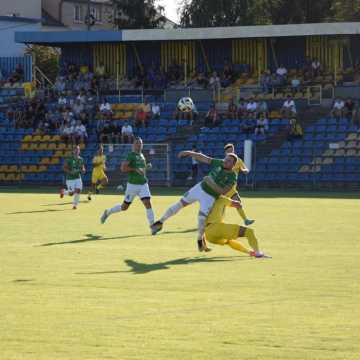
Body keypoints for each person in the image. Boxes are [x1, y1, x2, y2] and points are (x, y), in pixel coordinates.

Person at [151, 151, 238, 251]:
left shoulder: (232, 176)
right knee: (180, 204)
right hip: (199, 189)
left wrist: (210, 182)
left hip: (210, 197)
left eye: (229, 161)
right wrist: (188, 152)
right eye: (225, 159)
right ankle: (159, 222)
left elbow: (223, 192)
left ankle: (200, 241)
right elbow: (204, 157)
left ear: (233, 164)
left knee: (201, 219)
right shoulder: (219, 163)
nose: (225, 161)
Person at [100, 137, 155, 232]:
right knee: (124, 207)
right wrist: (135, 169)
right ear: (133, 145)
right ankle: (108, 212)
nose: (139, 145)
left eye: (141, 143)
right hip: (132, 185)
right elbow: (123, 168)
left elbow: (141, 171)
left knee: (148, 203)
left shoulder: (142, 155)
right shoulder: (131, 155)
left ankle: (152, 226)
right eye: (137, 143)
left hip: (143, 184)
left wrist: (146, 168)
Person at [223, 143, 254, 226]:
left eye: (232, 150)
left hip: (232, 188)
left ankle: (245, 220)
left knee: (238, 202)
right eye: (229, 151)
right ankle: (213, 221)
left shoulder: (238, 160)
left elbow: (244, 167)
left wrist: (245, 170)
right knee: (220, 206)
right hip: (223, 188)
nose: (231, 152)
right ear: (225, 152)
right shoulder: (223, 162)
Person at [60, 145, 86, 210]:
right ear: (73, 151)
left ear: (79, 151)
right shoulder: (69, 159)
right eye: (75, 150)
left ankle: (75, 205)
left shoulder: (81, 159)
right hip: (70, 179)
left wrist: (83, 170)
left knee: (78, 190)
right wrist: (69, 171)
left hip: (78, 177)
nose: (77, 151)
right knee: (71, 194)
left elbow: (82, 167)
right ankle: (63, 192)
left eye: (78, 149)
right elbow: (64, 167)